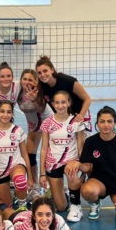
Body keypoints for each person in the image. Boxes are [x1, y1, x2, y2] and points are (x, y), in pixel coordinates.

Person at [68, 106, 116, 225]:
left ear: (114, 123)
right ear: (97, 123)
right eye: (102, 121)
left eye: (109, 121)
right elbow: (87, 167)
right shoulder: (90, 142)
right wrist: (78, 164)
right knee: (87, 190)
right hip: (99, 181)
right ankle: (95, 204)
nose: (106, 125)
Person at [39, 91, 86, 222]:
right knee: (61, 207)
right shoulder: (47, 123)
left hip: (71, 161)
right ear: (53, 104)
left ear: (69, 103)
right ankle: (65, 193)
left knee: (72, 172)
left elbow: (80, 146)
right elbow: (44, 149)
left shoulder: (76, 122)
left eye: (63, 102)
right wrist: (42, 173)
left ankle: (76, 205)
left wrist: (83, 168)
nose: (60, 106)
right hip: (53, 163)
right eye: (57, 103)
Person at [0, 100, 33, 209]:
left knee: (20, 181)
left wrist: (30, 177)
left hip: (16, 164)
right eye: (2, 111)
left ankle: (22, 205)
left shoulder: (17, 130)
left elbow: (24, 154)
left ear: (12, 114)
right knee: (6, 208)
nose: (5, 115)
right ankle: (2, 196)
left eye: (9, 112)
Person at [16, 69, 53, 187]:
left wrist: (34, 99)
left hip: (48, 122)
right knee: (29, 155)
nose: (27, 82)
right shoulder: (17, 91)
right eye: (25, 79)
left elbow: (41, 109)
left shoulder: (38, 91)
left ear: (35, 82)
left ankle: (50, 185)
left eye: (30, 80)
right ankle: (35, 185)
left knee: (50, 156)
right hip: (33, 124)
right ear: (20, 80)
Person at [35, 55, 92, 132]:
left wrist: (81, 115)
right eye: (39, 73)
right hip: (63, 117)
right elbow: (41, 109)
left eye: (45, 71)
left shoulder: (68, 81)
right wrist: (33, 99)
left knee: (82, 139)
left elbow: (87, 99)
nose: (42, 75)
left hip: (79, 114)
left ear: (52, 70)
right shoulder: (41, 87)